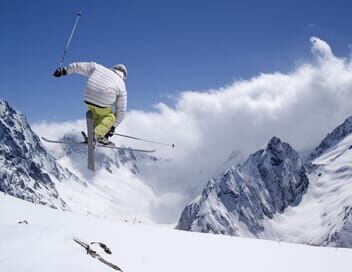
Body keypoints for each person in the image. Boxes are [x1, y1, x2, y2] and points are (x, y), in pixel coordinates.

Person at [53, 62, 127, 145]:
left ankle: (96, 133)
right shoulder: (121, 84)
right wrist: (112, 127)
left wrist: (64, 71)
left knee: (96, 113)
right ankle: (97, 135)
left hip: (88, 97)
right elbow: (121, 110)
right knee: (110, 117)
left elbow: (79, 66)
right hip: (103, 100)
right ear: (123, 76)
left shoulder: (99, 68)